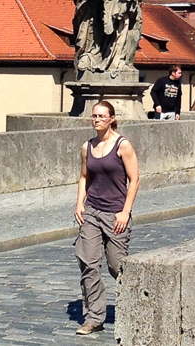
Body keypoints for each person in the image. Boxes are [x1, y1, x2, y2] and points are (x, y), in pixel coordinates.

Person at [74, 100, 139, 336]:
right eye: (94, 116)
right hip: (91, 211)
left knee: (116, 265)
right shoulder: (87, 147)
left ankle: (134, 304)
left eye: (102, 116)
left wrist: (125, 211)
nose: (97, 120)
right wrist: (79, 203)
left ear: (111, 119)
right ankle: (94, 317)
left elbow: (134, 179)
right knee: (88, 264)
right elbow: (84, 177)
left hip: (115, 213)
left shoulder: (123, 145)